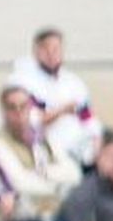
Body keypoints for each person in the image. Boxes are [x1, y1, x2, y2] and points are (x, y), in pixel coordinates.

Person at [0, 84, 79, 221]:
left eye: (23, 106)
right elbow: (19, 182)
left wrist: (45, 173)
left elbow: (74, 173)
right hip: (23, 217)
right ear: (3, 111)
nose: (19, 112)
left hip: (54, 214)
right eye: (12, 107)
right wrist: (55, 184)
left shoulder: (43, 139)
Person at [8, 27, 101, 167]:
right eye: (46, 49)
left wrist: (97, 141)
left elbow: (87, 117)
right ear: (35, 52)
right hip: (49, 151)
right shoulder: (22, 83)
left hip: (83, 149)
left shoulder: (73, 82)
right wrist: (62, 110)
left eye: (56, 49)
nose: (51, 54)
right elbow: (31, 120)